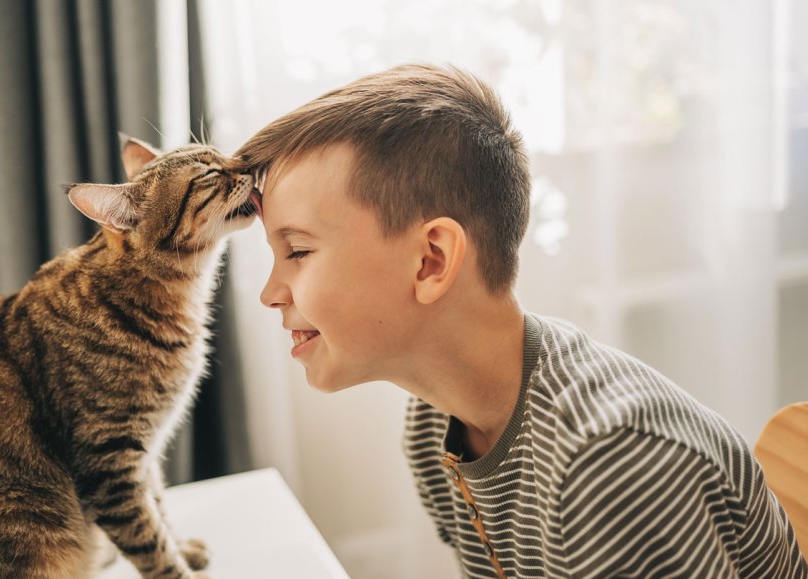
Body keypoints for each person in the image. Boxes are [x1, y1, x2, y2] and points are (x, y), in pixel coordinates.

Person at [235, 63, 807, 578]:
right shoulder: (436, 424)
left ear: (431, 260)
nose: (270, 292)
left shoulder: (608, 460)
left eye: (298, 251)